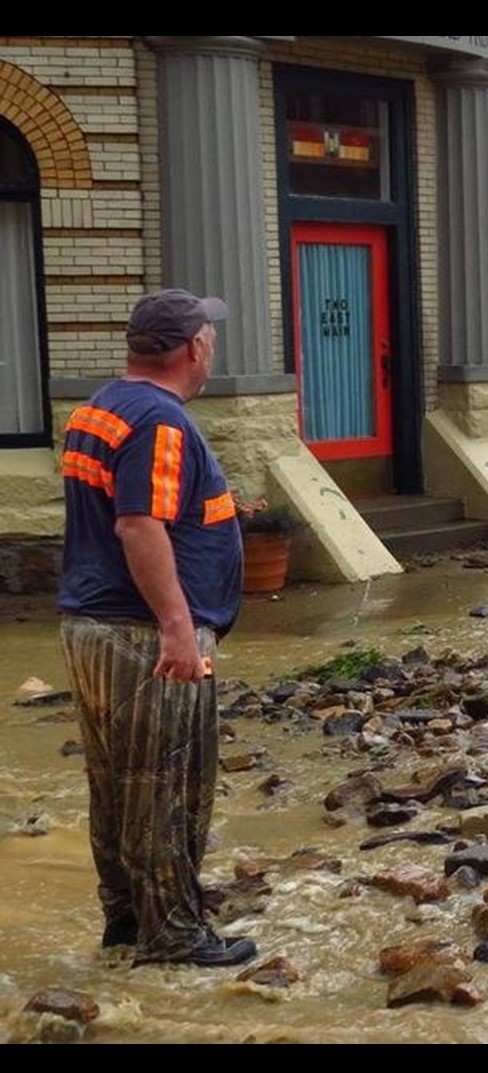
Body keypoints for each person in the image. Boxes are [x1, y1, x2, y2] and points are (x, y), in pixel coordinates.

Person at [56, 288, 258, 968]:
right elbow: (138, 525)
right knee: (166, 783)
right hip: (146, 634)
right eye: (210, 336)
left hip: (93, 626)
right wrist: (177, 627)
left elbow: (136, 508)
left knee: (117, 784)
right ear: (193, 348)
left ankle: (126, 922)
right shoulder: (159, 421)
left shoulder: (102, 407)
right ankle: (173, 935)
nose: (213, 346)